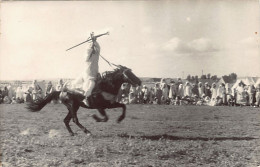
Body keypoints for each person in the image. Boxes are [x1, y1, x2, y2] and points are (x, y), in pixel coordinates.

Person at [72, 32, 108, 106]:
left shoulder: (96, 47)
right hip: (88, 71)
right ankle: (85, 98)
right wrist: (91, 46)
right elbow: (86, 58)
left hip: (94, 71)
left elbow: (98, 49)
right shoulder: (88, 48)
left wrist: (94, 42)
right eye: (92, 40)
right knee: (91, 85)